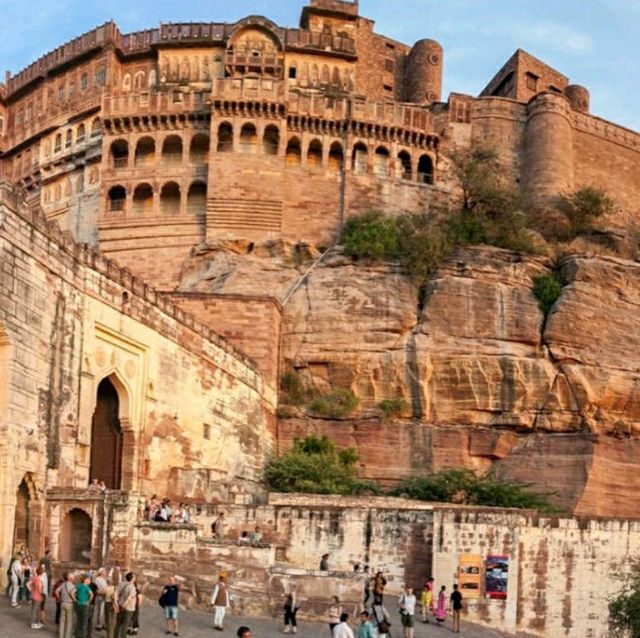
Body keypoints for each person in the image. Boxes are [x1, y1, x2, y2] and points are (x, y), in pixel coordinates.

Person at [114, 572, 137, 638]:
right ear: (132, 578)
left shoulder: (122, 584)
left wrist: (116, 604)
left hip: (120, 605)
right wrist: (124, 605)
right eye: (134, 577)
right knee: (125, 625)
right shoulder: (132, 587)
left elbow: (116, 593)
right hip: (128, 608)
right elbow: (129, 598)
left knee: (118, 623)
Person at [56, 572, 76, 638]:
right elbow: (73, 594)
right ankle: (67, 636)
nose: (74, 578)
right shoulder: (73, 586)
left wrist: (59, 598)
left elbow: (56, 591)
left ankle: (60, 635)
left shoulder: (63, 584)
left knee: (62, 621)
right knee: (69, 622)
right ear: (70, 579)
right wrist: (75, 600)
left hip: (63, 603)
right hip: (70, 604)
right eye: (73, 577)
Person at [75, 574, 94, 638]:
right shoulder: (87, 587)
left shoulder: (78, 586)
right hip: (85, 605)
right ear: (85, 580)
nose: (90, 581)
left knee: (78, 620)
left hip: (78, 604)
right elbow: (91, 594)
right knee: (84, 622)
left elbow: (72, 593)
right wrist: (88, 601)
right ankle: (83, 636)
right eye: (89, 580)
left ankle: (77, 635)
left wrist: (75, 600)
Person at [28, 565, 45, 629]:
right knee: (35, 610)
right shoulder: (39, 579)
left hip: (33, 595)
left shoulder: (35, 578)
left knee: (34, 610)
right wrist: (42, 593)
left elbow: (28, 584)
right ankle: (33, 624)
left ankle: (35, 623)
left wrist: (32, 590)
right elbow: (40, 589)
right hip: (38, 596)